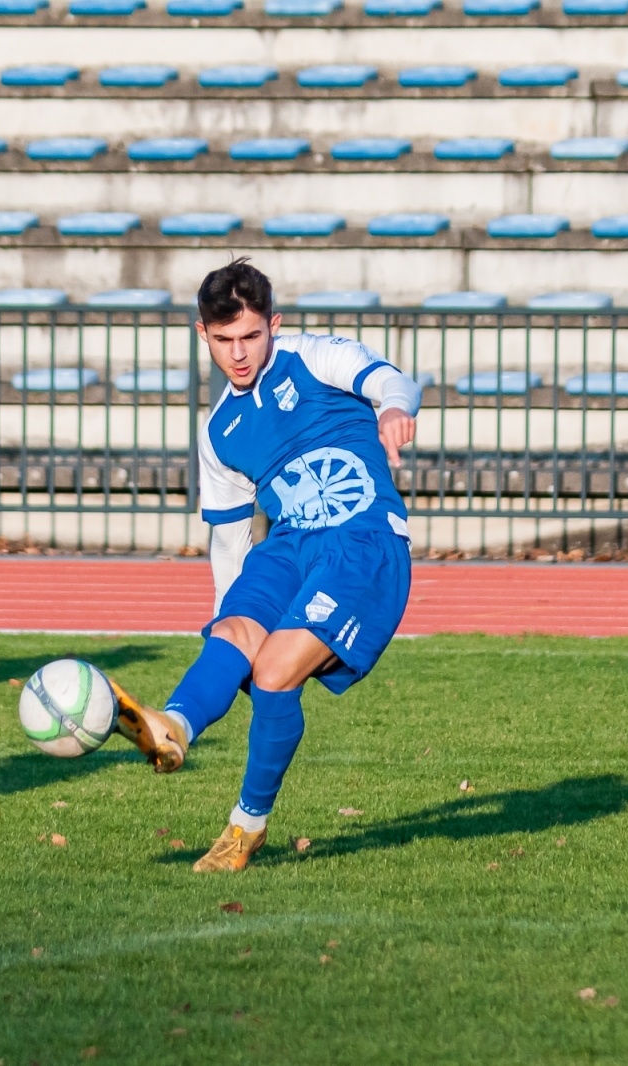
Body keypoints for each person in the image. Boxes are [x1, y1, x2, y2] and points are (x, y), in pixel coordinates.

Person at [111, 258, 421, 873]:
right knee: (230, 632)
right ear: (203, 335)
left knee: (277, 672)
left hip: (360, 540)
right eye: (224, 341)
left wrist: (391, 408)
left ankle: (244, 828)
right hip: (284, 546)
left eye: (251, 336)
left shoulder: (313, 357)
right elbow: (228, 543)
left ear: (273, 325)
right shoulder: (219, 431)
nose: (240, 354)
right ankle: (171, 726)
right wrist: (233, 615)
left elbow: (393, 379)